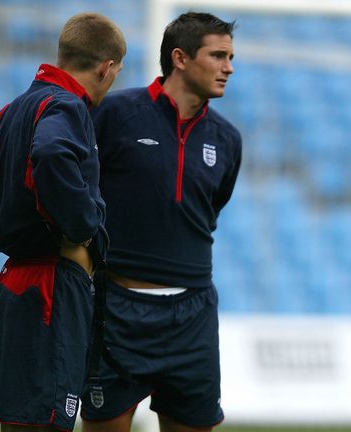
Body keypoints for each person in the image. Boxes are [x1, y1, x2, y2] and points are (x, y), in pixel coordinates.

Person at [79, 12, 241, 432]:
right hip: (116, 310)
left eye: (231, 57)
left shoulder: (227, 139)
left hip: (193, 315)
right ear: (181, 58)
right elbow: (77, 191)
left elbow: (209, 210)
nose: (229, 67)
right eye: (218, 55)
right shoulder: (116, 114)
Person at [0, 13, 125, 432]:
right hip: (52, 288)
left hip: (19, 284)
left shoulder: (18, 107)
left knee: (23, 420)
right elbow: (53, 153)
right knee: (48, 419)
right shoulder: (67, 105)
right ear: (106, 68)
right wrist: (83, 224)